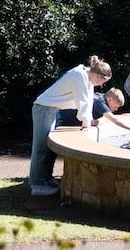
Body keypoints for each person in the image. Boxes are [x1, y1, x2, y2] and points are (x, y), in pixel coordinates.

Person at [29, 55, 112, 196]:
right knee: (41, 148)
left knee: (49, 148)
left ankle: (46, 179)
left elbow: (87, 101)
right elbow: (83, 101)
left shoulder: (86, 78)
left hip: (51, 110)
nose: (101, 85)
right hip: (43, 109)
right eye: (103, 81)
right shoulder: (79, 76)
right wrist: (86, 124)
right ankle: (36, 185)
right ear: (98, 76)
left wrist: (88, 122)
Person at [57, 88, 130, 141]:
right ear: (109, 100)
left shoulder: (101, 96)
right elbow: (114, 120)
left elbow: (101, 119)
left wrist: (100, 120)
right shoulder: (101, 103)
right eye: (116, 106)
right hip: (61, 118)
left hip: (62, 114)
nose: (116, 109)